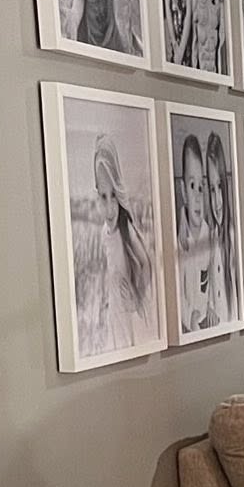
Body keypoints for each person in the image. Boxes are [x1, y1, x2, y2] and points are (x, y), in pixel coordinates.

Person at [87, 133, 151, 353]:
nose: (109, 206)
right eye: (103, 196)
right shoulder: (103, 233)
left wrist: (138, 294)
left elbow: (145, 264)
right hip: (113, 314)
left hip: (128, 314)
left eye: (113, 195)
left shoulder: (126, 230)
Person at [174, 133, 216, 334]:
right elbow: (177, 290)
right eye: (192, 187)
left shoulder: (209, 235)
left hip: (204, 321)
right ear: (183, 191)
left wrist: (209, 307)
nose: (198, 196)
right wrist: (189, 315)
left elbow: (208, 280)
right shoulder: (180, 240)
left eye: (201, 187)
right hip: (188, 325)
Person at [205, 130, 235, 327]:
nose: (217, 201)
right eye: (211, 189)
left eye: (220, 187)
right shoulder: (209, 237)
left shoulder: (235, 239)